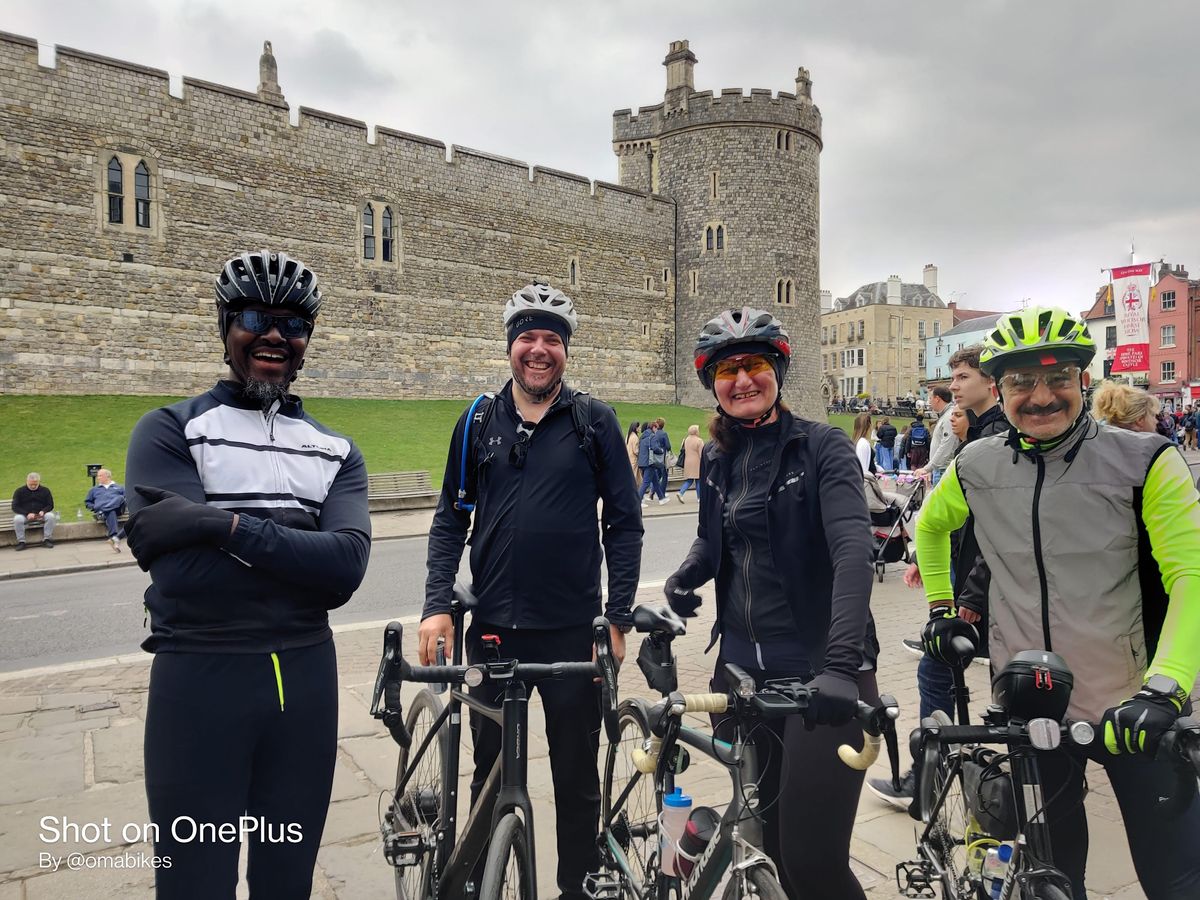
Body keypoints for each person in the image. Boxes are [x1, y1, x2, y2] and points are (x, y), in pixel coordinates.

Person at [918, 307, 1200, 900]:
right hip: (1031, 706)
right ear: (1001, 389)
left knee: (1175, 876)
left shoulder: (1145, 460)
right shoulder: (976, 464)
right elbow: (930, 528)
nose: (1040, 396)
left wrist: (1167, 687)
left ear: (1084, 380)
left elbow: (1192, 576)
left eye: (1058, 379)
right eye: (1021, 382)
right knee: (1053, 871)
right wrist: (943, 608)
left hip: (1133, 706)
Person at [124, 250, 372, 898]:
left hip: (305, 691)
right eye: (256, 317)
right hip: (201, 681)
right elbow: (182, 577)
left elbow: (346, 568)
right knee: (194, 886)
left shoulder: (337, 452)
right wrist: (298, 557)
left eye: (293, 325)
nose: (274, 335)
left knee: (285, 884)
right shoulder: (168, 431)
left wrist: (217, 525)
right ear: (224, 325)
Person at [419, 281, 642, 900]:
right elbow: (449, 518)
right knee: (487, 774)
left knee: (576, 782)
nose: (538, 350)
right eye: (528, 338)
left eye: (552, 339)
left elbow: (623, 523)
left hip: (572, 632)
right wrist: (438, 604)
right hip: (493, 632)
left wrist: (617, 617)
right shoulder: (479, 421)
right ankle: (484, 883)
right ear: (510, 347)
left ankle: (575, 888)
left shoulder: (593, 421)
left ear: (565, 350)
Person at [664, 307, 879, 899]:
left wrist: (840, 667)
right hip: (743, 674)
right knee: (769, 849)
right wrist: (686, 575)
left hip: (820, 675)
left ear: (777, 370)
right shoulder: (718, 458)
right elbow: (715, 538)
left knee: (814, 861)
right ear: (713, 384)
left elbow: (853, 553)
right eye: (727, 370)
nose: (743, 380)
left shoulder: (822, 447)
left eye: (755, 364)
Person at [870, 344, 1008, 809]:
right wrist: (923, 558)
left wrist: (970, 592)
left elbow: (999, 529)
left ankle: (936, 772)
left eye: (963, 377)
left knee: (937, 670)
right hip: (972, 575)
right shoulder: (974, 432)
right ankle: (957, 771)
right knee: (956, 674)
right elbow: (952, 514)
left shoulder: (998, 436)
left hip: (985, 586)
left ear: (990, 382)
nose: (954, 387)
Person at [914, 386, 958, 484]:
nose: (929, 402)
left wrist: (928, 468)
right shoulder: (945, 415)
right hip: (940, 468)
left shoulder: (949, 417)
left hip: (944, 470)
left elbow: (946, 445)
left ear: (937, 399)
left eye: (930, 398)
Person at [11, 472, 58, 550]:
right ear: (27, 481)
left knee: (50, 516)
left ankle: (47, 539)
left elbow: (50, 505)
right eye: (31, 484)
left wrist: (43, 511)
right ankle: (21, 541)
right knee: (17, 519)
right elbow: (15, 506)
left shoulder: (45, 490)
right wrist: (27, 514)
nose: (33, 486)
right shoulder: (19, 491)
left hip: (41, 514)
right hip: (25, 515)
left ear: (39, 482)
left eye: (35, 485)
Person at [1091, 381, 1161, 433]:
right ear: (1140, 420)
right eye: (1153, 415)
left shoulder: (1097, 439)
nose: (1156, 421)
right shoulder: (1147, 450)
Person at [84, 468, 127, 552]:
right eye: (97, 476)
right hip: (109, 512)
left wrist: (100, 508)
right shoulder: (94, 490)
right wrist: (93, 507)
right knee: (111, 512)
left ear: (107, 476)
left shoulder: (119, 487)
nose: (98, 478)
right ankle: (114, 538)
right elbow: (87, 503)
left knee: (120, 497)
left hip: (117, 509)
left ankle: (104, 509)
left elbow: (126, 498)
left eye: (100, 476)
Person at [676, 424, 704, 501]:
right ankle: (699, 497)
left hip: (687, 462)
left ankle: (681, 492)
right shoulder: (699, 440)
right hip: (697, 462)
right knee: (698, 480)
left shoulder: (686, 440)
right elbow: (702, 453)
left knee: (689, 480)